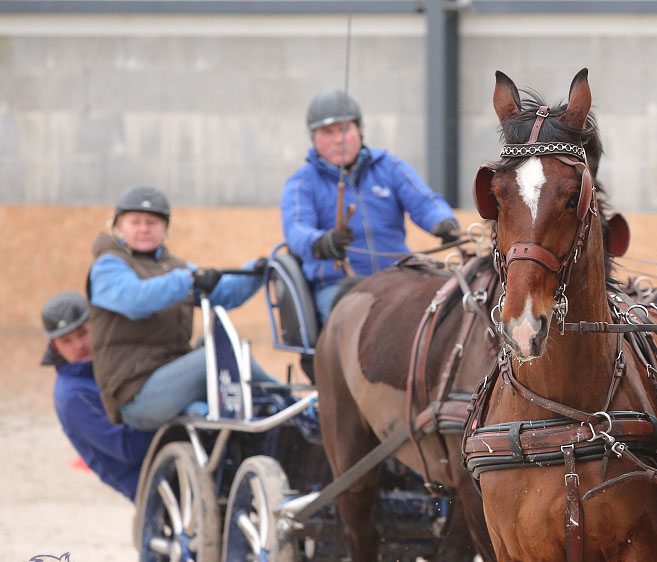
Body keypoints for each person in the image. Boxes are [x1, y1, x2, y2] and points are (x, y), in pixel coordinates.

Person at [87, 185, 271, 432]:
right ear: (119, 226)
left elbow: (225, 294)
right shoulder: (108, 266)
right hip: (134, 394)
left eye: (152, 223)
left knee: (232, 353)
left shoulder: (175, 268)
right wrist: (187, 280)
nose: (144, 229)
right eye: (135, 222)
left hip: (172, 379)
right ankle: (287, 400)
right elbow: (134, 301)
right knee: (216, 358)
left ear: (165, 229)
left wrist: (256, 271)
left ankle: (273, 406)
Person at [281, 88, 460, 323]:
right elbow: (296, 229)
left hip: (399, 277)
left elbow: (426, 202)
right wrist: (322, 243)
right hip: (337, 286)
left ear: (360, 130)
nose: (339, 139)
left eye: (346, 129)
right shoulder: (301, 184)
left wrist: (442, 221)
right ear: (313, 138)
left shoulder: (390, 167)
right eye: (327, 132)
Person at [41, 291, 153, 501]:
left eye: (83, 333)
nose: (78, 346)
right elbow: (127, 449)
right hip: (148, 481)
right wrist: (167, 410)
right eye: (67, 341)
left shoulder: (109, 364)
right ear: (55, 347)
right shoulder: (73, 396)